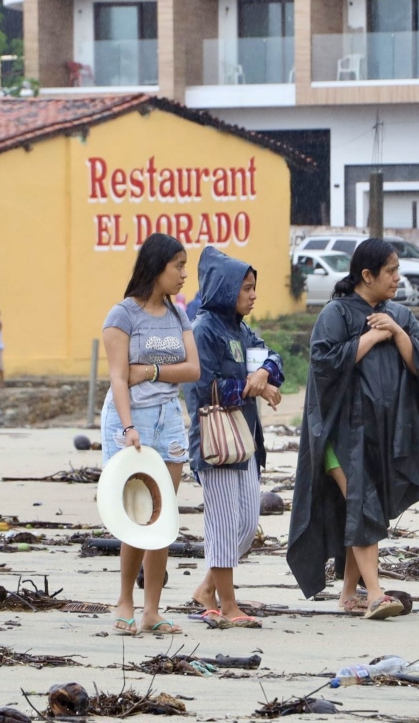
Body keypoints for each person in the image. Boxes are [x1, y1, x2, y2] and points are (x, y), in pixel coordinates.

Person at [286, 239, 419, 620]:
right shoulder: (336, 314)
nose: (397, 278)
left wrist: (397, 333)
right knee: (361, 500)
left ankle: (348, 594)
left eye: (397, 270)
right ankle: (374, 594)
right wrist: (371, 337)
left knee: (361, 505)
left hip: (384, 432)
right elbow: (324, 365)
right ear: (367, 275)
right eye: (390, 271)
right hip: (338, 434)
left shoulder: (398, 315)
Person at [101, 232, 200, 636]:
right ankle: (125, 599)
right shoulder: (122, 315)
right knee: (136, 516)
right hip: (131, 418)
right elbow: (119, 378)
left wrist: (154, 371)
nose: (182, 275)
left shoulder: (178, 315)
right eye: (177, 266)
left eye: (184, 267)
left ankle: (153, 610)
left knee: (162, 516)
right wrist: (128, 428)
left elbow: (193, 369)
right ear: (156, 266)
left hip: (169, 418)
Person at [186, 247, 284, 630]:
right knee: (226, 525)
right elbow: (203, 390)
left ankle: (206, 590)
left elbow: (272, 357)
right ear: (227, 289)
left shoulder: (241, 329)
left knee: (246, 526)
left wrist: (265, 374)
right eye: (246, 288)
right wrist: (251, 386)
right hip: (217, 444)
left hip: (246, 442)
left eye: (254, 288)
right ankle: (228, 605)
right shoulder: (203, 330)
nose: (253, 295)